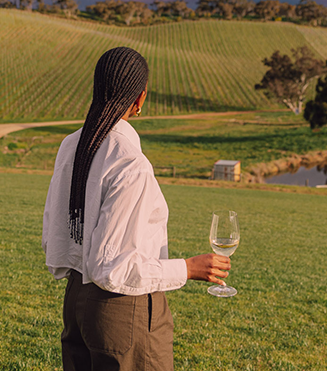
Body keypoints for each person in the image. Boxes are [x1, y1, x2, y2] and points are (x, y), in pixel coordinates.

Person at [43, 47, 230, 371]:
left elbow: (57, 238)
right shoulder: (130, 163)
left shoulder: (71, 145)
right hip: (122, 311)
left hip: (75, 301)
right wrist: (188, 268)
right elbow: (112, 268)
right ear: (140, 98)